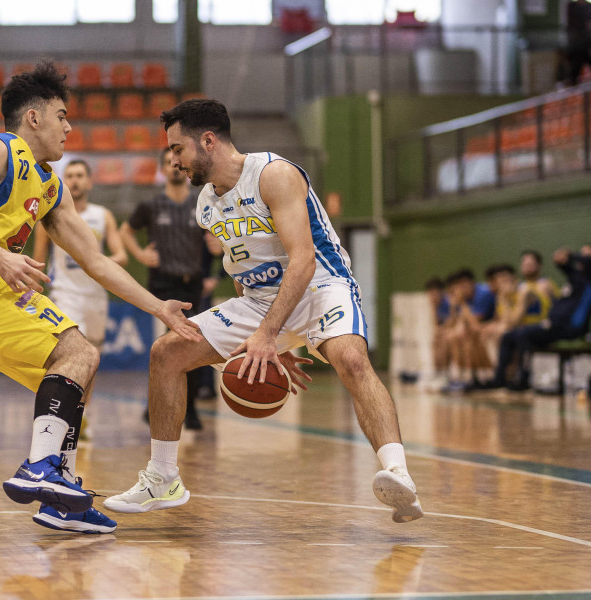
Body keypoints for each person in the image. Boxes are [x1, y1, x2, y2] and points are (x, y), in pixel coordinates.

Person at [104, 99, 423, 523]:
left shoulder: (275, 175)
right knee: (166, 353)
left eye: (178, 149)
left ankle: (398, 474)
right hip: (260, 300)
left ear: (209, 141)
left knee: (350, 359)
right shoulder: (206, 205)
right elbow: (242, 270)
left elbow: (303, 260)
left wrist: (271, 334)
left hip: (321, 286)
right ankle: (162, 478)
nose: (174, 160)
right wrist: (280, 339)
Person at [0, 61, 200, 534]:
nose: (70, 126)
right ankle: (39, 468)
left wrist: (158, 306)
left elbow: (97, 260)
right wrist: (0, 257)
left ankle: (59, 496)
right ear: (34, 118)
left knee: (82, 364)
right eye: (62, 116)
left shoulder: (49, 184)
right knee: (76, 351)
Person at [119, 147, 221, 430]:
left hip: (194, 285)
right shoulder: (151, 206)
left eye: (178, 163)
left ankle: (190, 410)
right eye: (168, 163)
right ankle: (157, 404)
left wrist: (217, 247)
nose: (174, 167)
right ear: (162, 170)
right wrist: (140, 255)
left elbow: (217, 237)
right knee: (166, 348)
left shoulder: (200, 205)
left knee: (197, 346)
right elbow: (125, 231)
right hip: (164, 285)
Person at [32, 159, 127, 441]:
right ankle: (55, 416)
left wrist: (97, 262)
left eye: (79, 175)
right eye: (69, 176)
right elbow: (38, 259)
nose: (74, 180)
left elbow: (121, 256)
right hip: (64, 295)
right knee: (67, 355)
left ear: (89, 181)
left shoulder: (103, 215)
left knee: (91, 360)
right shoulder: (51, 216)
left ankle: (80, 416)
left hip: (95, 297)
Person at [483, 245, 591, 392]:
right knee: (508, 336)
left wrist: (572, 255)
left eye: (587, 256)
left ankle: (523, 379)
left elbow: (587, 263)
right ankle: (499, 379)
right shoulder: (578, 279)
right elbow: (564, 266)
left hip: (570, 328)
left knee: (524, 335)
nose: (582, 260)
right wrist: (560, 258)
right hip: (554, 325)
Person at [442, 268, 495, 392]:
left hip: (489, 325)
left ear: (470, 282)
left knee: (470, 336)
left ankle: (477, 377)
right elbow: (454, 323)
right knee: (452, 336)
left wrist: (461, 304)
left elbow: (475, 323)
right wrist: (454, 307)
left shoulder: (483, 293)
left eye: (462, 285)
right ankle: (459, 376)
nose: (460, 289)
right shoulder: (464, 298)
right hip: (478, 327)